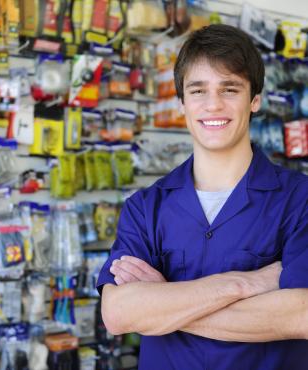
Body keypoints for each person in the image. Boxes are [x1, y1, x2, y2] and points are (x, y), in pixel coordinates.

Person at [96, 24, 308, 370]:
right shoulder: (145, 207)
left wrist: (163, 302)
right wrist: (248, 283)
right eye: (198, 91)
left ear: (255, 100)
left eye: (230, 89)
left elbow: (300, 315)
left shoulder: (300, 201)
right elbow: (119, 313)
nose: (213, 105)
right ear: (181, 101)